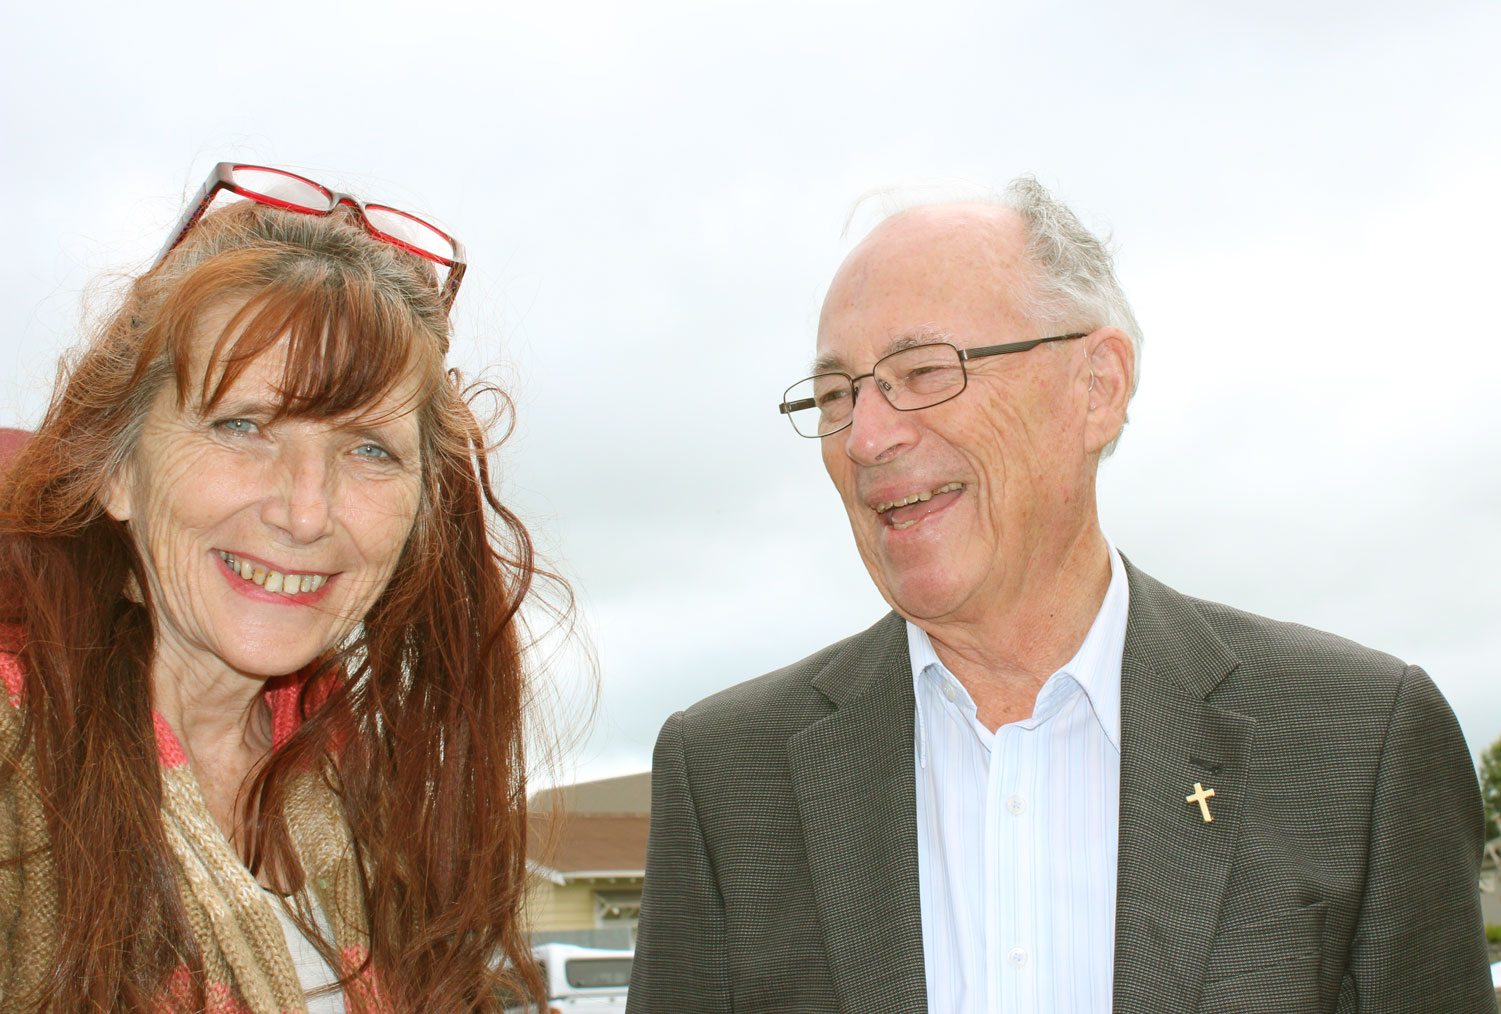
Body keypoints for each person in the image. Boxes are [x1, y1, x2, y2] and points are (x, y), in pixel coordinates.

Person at [627, 178, 1494, 1012]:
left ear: (1097, 389)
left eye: (924, 371)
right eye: (834, 394)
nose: (865, 436)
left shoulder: (1356, 742)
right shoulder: (726, 774)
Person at [0, 163, 551, 1012]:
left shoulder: (369, 796)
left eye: (369, 448)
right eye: (243, 425)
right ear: (116, 472)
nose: (305, 511)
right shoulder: (17, 768)